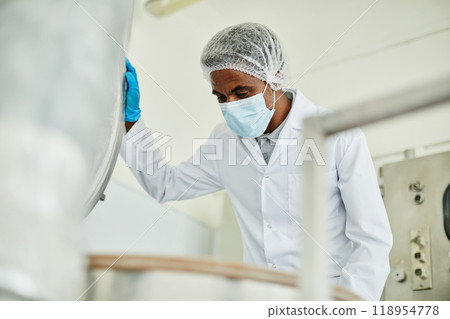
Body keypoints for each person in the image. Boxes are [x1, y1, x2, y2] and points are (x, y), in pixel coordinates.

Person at [121, 22, 393, 300]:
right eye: (221, 97)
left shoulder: (337, 134)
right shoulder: (223, 140)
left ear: (274, 77)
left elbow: (371, 239)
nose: (231, 105)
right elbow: (166, 186)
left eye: (242, 93)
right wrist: (130, 121)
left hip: (326, 298)